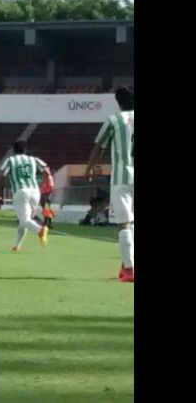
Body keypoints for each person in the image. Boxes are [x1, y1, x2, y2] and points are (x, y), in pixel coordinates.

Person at [84, 87, 134, 282]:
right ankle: (126, 264)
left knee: (124, 225)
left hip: (122, 178)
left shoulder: (114, 120)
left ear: (118, 102)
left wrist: (89, 170)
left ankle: (129, 269)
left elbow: (99, 147)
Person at [0, 141, 51, 251]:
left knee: (25, 220)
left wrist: (0, 193)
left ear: (13, 150)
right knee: (24, 221)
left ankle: (40, 230)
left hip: (21, 192)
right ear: (25, 150)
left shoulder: (11, 160)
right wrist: (44, 184)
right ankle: (17, 245)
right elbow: (46, 171)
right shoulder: (33, 159)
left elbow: (2, 176)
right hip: (35, 192)